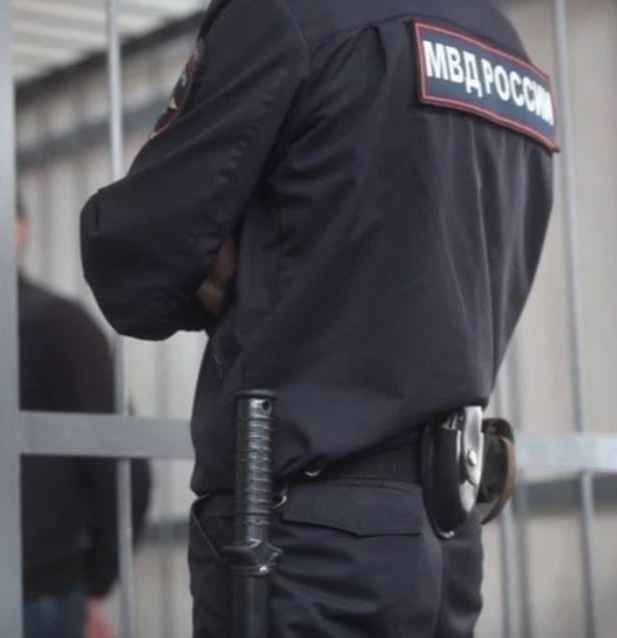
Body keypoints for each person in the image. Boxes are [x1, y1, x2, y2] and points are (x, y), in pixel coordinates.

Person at [79, 1, 555, 636]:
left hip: (304, 540)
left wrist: (251, 275)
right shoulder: (506, 49)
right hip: (446, 537)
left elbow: (135, 259)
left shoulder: (288, 14)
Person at [0, 183, 151, 638]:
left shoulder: (56, 325)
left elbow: (122, 463)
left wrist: (92, 585)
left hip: (36, 596)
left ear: (15, 233)